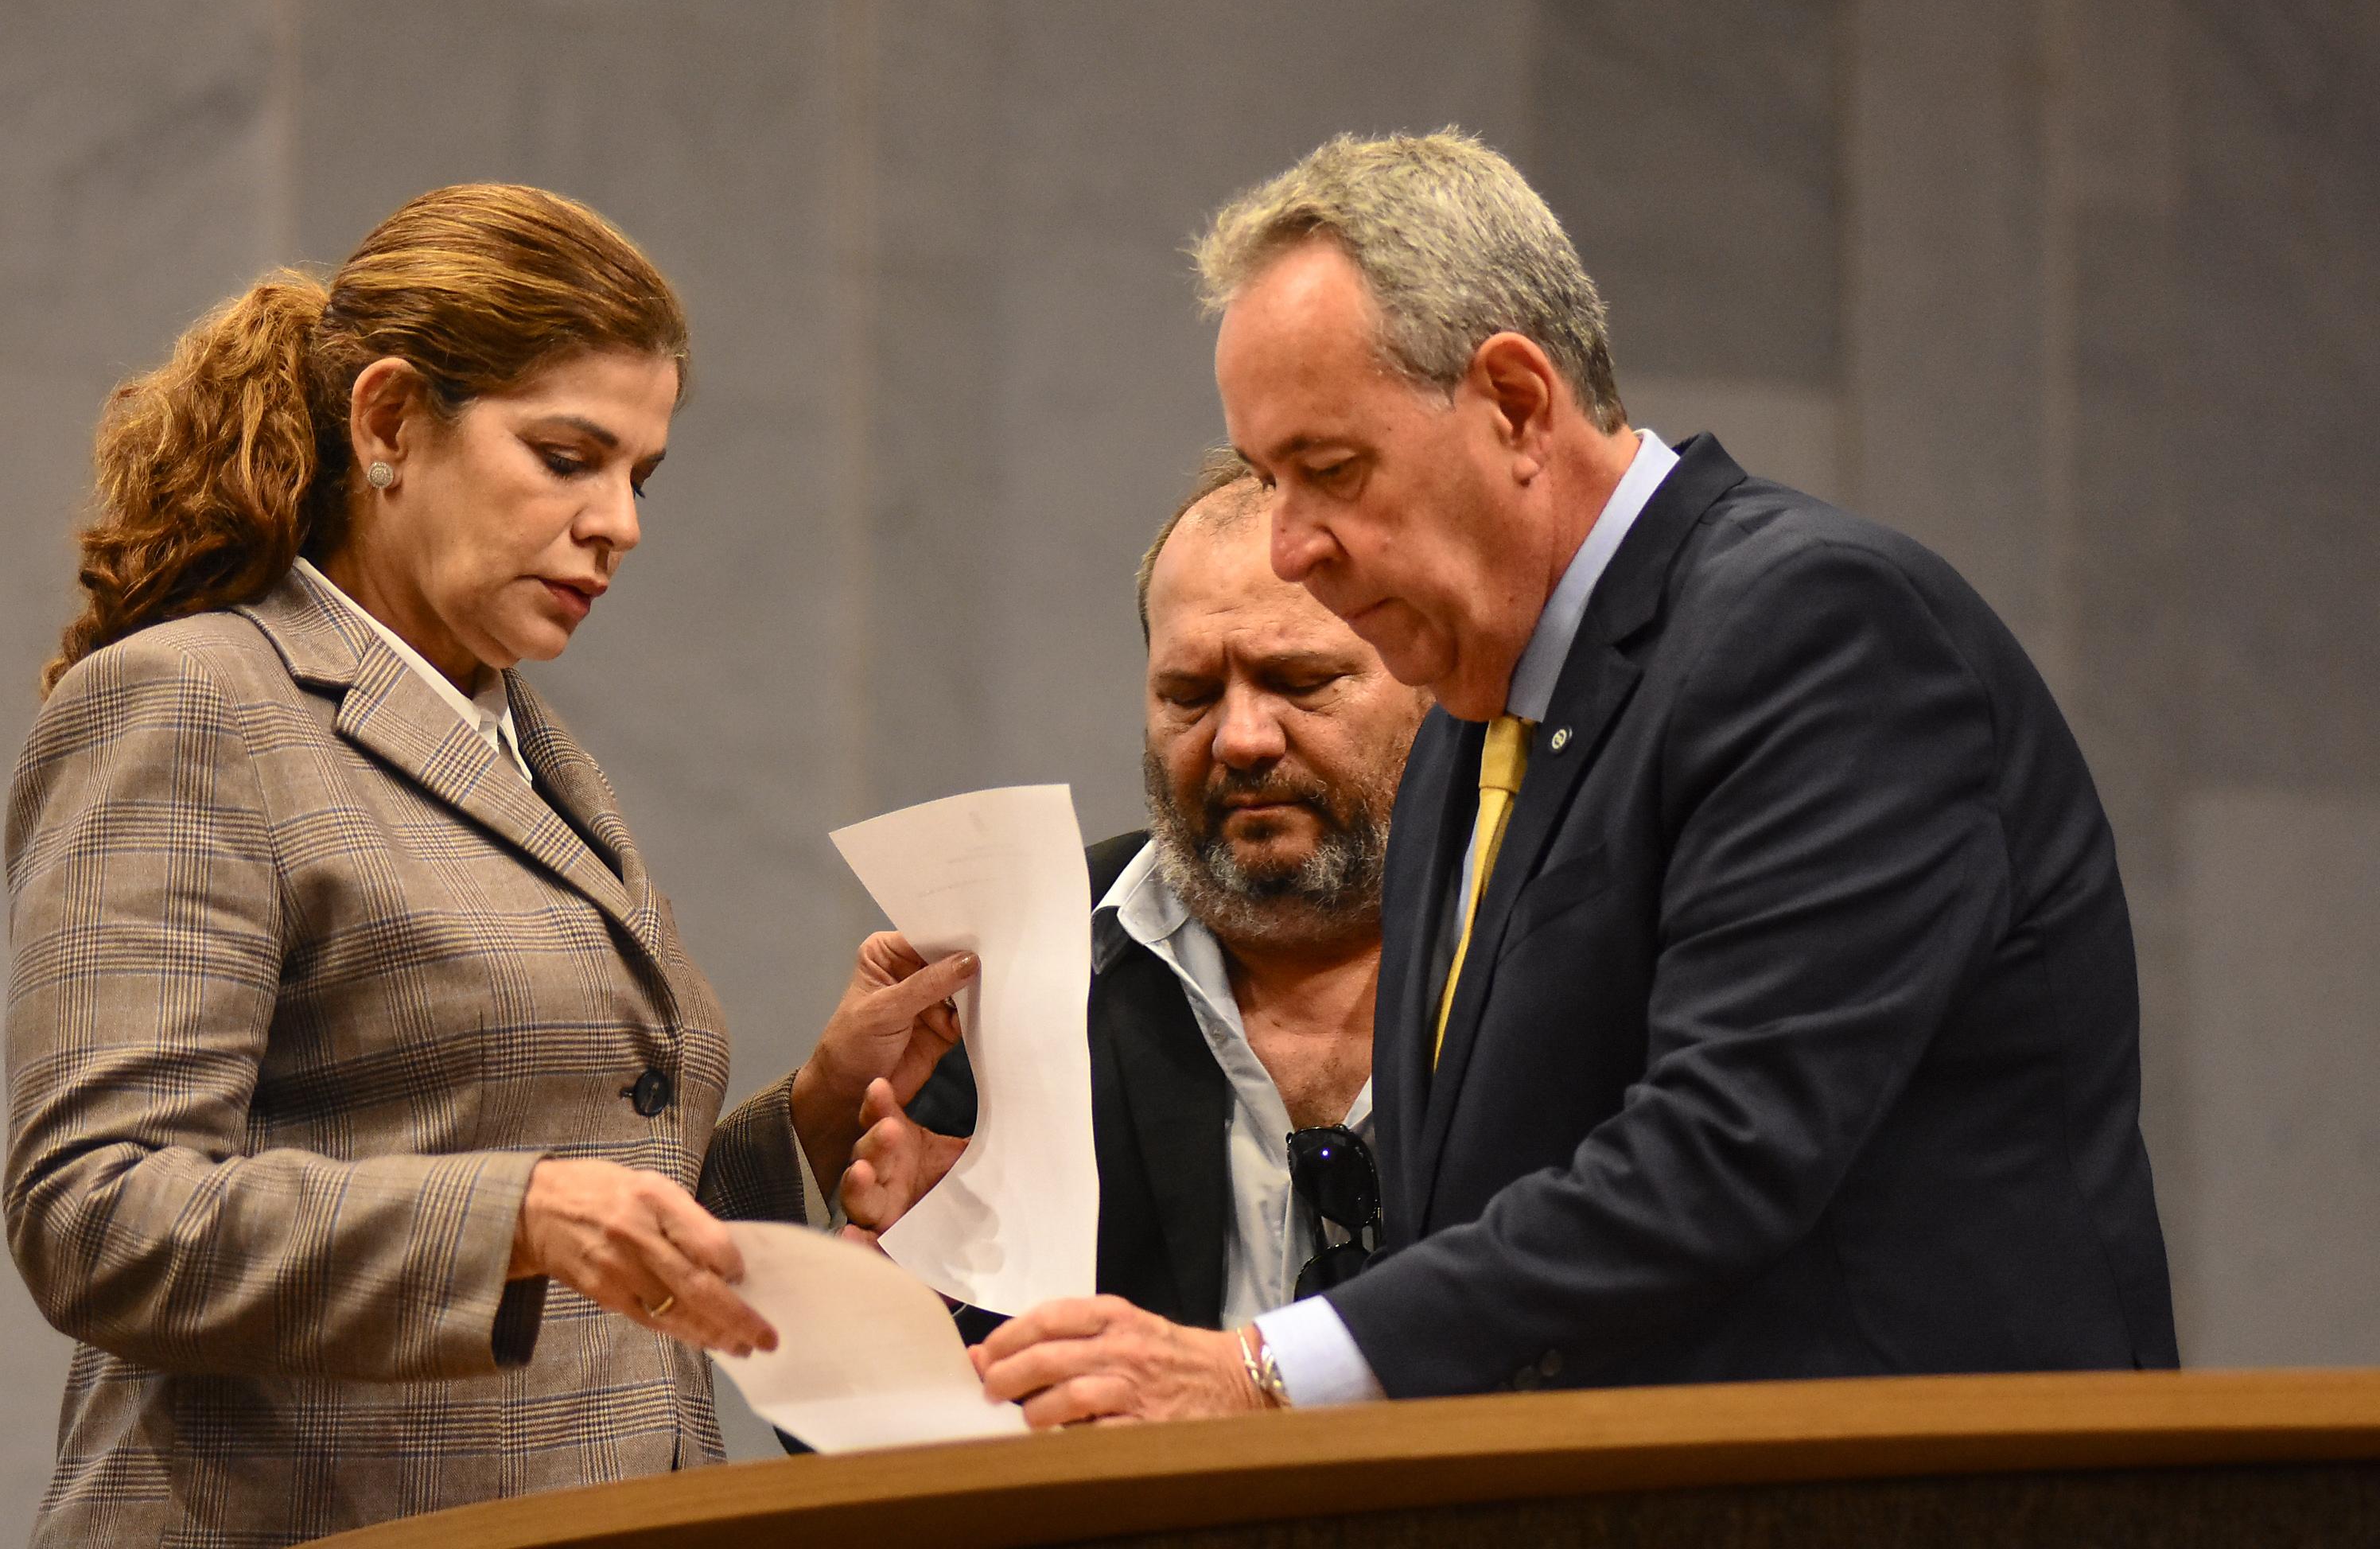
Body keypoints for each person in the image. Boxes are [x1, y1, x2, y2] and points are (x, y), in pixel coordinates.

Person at [973, 130, 2178, 1425]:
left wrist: (1258, 1372)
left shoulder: (1815, 628)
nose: (1294, 546)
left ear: (1513, 403)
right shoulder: (1452, 746)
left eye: (1329, 472)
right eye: (1268, 482)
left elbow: (1722, 1152)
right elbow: (1471, 1225)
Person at [4, 184, 966, 1547]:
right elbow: (98, 1214)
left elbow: (585, 1205)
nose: (619, 522)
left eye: (642, 476)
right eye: (568, 458)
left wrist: (817, 1109)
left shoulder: (524, 745)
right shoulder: (192, 701)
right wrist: (515, 1212)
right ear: (389, 421)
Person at [834, 450, 1431, 1337]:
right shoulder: (1027, 963)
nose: (1239, 738)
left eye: (1299, 681)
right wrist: (910, 1302)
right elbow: (853, 1429)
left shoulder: (1560, 937)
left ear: (1433, 681)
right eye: (1188, 695)